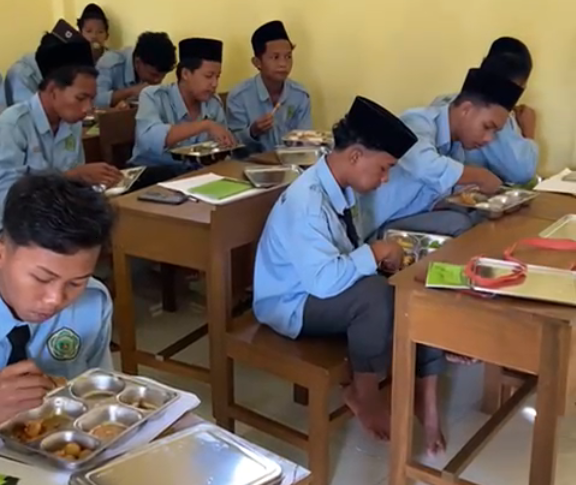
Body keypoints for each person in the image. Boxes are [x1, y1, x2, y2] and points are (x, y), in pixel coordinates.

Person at [253, 96, 446, 454]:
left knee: (415, 289)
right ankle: (364, 392)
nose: (385, 179)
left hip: (323, 287)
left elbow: (343, 252)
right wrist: (374, 254)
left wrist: (378, 259)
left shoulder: (341, 187)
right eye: (384, 168)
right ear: (356, 156)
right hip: (291, 302)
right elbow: (323, 281)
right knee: (374, 297)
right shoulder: (307, 202)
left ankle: (426, 395)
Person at [0, 174, 115, 425]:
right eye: (42, 278)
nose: (55, 299)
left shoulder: (92, 302)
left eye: (76, 282)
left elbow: (98, 393)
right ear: (2, 252)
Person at [0, 37, 121, 223]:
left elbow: (75, 185)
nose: (88, 108)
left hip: (57, 220)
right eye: (81, 98)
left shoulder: (71, 123)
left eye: (91, 99)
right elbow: (7, 200)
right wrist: (72, 176)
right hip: (19, 228)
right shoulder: (13, 125)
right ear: (53, 91)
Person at [399, 66, 525, 200]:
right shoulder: (416, 121)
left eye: (495, 132)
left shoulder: (457, 148)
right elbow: (424, 165)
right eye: (487, 126)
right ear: (466, 110)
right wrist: (480, 176)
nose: (489, 139)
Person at [431, 37, 537, 185]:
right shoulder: (492, 114)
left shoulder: (443, 103)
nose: (488, 138)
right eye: (487, 127)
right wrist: (529, 132)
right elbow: (522, 172)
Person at [130, 37, 234, 181]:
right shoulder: (153, 96)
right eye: (208, 76)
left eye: (218, 76)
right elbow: (149, 140)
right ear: (185, 74)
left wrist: (225, 144)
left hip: (194, 176)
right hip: (151, 176)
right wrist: (205, 125)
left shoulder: (213, 103)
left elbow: (223, 148)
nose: (215, 83)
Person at [226, 20, 311, 152]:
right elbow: (231, 145)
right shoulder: (239, 97)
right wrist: (253, 132)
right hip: (249, 163)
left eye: (288, 56)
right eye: (275, 57)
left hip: (290, 161)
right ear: (257, 62)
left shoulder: (299, 95)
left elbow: (305, 139)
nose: (283, 64)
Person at [95, 32, 176, 109]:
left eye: (163, 75)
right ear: (137, 62)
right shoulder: (110, 64)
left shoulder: (149, 64)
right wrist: (131, 91)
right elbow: (95, 100)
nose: (158, 81)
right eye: (153, 75)